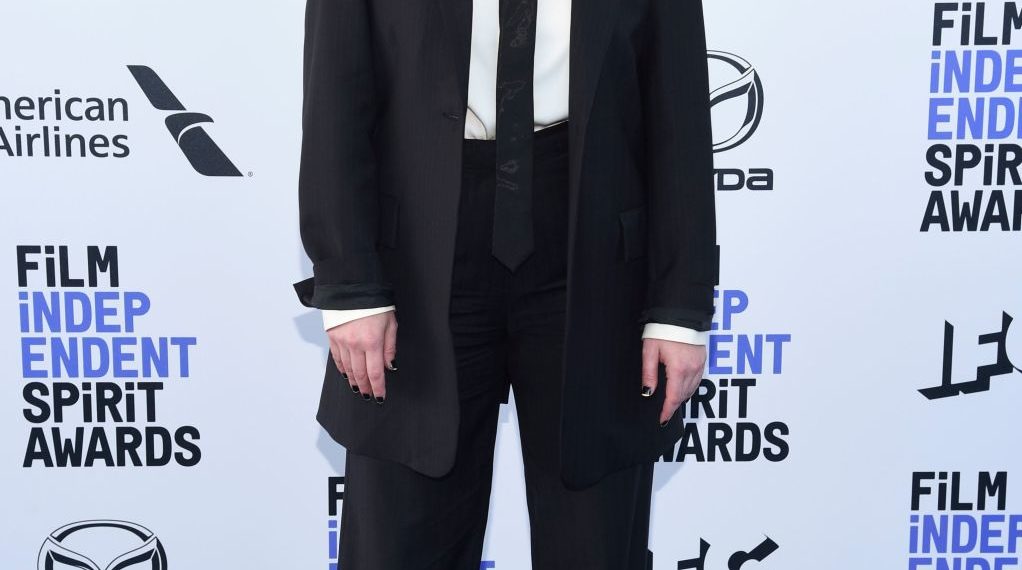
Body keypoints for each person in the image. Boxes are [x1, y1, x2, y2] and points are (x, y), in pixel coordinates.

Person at [292, 0, 719, 567]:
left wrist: (679, 307)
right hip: (416, 253)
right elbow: (334, 97)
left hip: (594, 245)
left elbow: (678, 109)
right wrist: (349, 285)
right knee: (403, 542)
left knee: (595, 543)